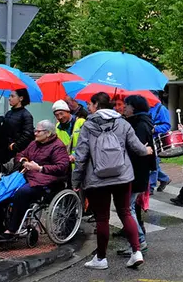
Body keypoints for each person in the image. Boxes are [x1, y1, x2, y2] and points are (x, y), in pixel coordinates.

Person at [73, 92, 153, 270]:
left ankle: (101, 259)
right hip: (122, 176)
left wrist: (76, 181)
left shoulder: (88, 126)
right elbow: (138, 148)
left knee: (102, 218)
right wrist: (147, 150)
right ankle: (136, 252)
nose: (88, 107)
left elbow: (81, 156)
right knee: (125, 212)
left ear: (96, 105)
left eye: (90, 104)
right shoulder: (123, 123)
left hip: (97, 178)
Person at [0, 120, 70, 242]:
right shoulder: (34, 144)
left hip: (47, 181)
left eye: (38, 131)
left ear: (48, 133)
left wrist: (40, 168)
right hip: (28, 176)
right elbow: (20, 155)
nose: (35, 133)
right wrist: (24, 161)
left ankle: (12, 230)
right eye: (36, 130)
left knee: (21, 193)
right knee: (4, 187)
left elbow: (62, 167)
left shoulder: (58, 147)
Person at [120, 95, 157, 257]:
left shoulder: (140, 125)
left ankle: (139, 241)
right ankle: (135, 242)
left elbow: (138, 149)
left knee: (128, 208)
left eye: (126, 105)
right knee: (130, 207)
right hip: (136, 171)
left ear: (134, 107)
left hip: (136, 172)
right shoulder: (140, 122)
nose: (124, 108)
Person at [53, 100, 86, 177]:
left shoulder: (81, 122)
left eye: (61, 113)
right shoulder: (57, 127)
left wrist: (75, 155)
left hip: (81, 164)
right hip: (66, 166)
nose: (59, 117)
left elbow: (87, 142)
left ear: (68, 111)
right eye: (57, 115)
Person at [149, 95, 171, 193]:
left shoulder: (161, 109)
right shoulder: (146, 107)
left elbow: (167, 126)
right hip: (147, 139)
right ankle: (164, 178)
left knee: (153, 163)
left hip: (156, 140)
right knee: (152, 163)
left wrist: (155, 129)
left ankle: (150, 187)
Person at [1, 88, 34, 155]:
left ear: (21, 98)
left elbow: (27, 135)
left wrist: (15, 146)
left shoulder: (26, 115)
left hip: (17, 152)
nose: (9, 98)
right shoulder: (8, 113)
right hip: (4, 151)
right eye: (9, 96)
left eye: (12, 96)